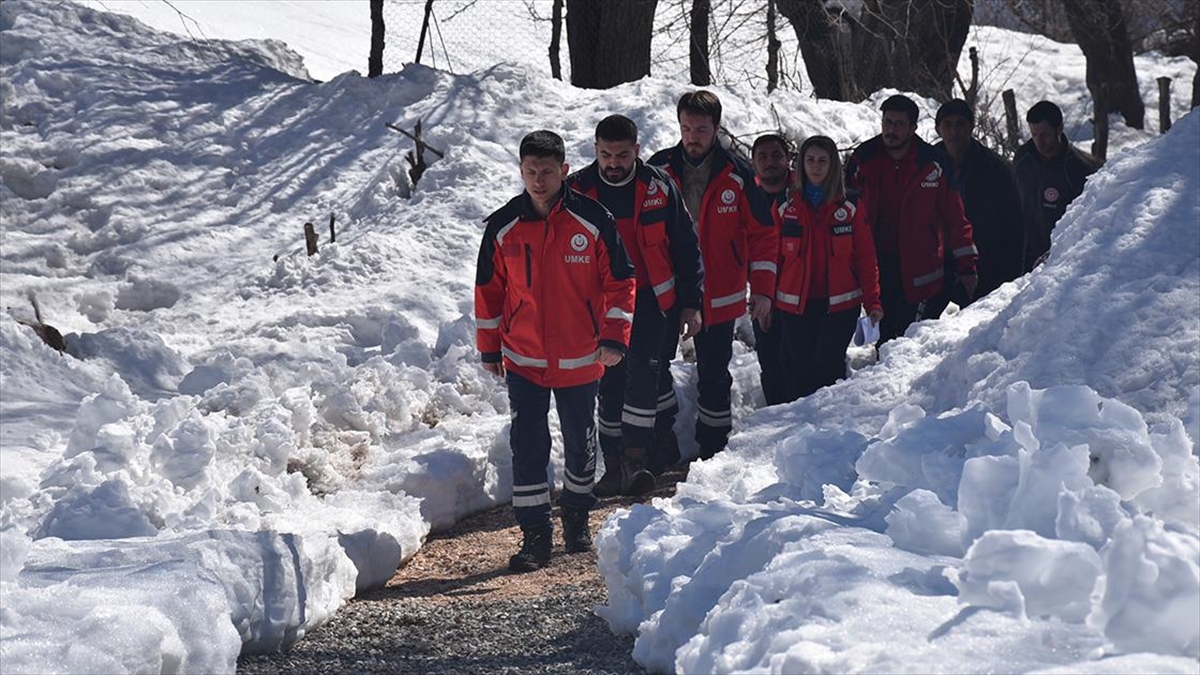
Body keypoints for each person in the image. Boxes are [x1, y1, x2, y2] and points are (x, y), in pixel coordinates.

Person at [475, 130, 636, 572]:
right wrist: (490, 347)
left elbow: (621, 282)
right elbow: (488, 291)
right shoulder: (504, 226)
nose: (538, 180)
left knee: (581, 441)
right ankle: (535, 536)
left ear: (564, 171)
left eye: (547, 171)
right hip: (524, 357)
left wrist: (613, 337)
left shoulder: (593, 220)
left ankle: (577, 517)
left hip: (582, 356)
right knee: (527, 443)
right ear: (521, 171)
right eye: (530, 172)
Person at [566, 114, 704, 495]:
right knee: (608, 380)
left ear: (637, 152)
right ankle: (614, 464)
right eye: (606, 154)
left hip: (652, 300)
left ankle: (636, 459)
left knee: (643, 373)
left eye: (622, 155)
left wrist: (692, 302)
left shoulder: (659, 186)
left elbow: (685, 245)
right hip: (601, 303)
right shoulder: (576, 190)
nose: (613, 163)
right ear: (595, 150)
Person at [648, 91, 778, 460]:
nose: (692, 136)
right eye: (686, 128)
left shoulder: (738, 173)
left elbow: (764, 235)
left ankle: (714, 450)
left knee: (714, 373)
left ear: (716, 128)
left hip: (718, 293)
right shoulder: (659, 170)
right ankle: (662, 444)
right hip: (667, 290)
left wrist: (763, 290)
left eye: (701, 129)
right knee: (655, 370)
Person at [845, 94, 978, 346]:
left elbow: (955, 217)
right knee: (884, 339)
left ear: (913, 128)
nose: (891, 130)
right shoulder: (863, 159)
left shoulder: (933, 163)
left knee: (907, 340)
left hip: (921, 269)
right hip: (876, 265)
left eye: (898, 124)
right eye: (887, 122)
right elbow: (845, 215)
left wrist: (967, 265)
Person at [776, 135, 883, 400]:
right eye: (810, 160)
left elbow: (866, 258)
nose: (815, 166)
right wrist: (764, 298)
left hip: (839, 305)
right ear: (800, 164)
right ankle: (797, 432)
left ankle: (829, 432)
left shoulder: (850, 207)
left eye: (823, 161)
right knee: (799, 370)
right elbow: (770, 259)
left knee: (829, 368)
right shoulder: (784, 206)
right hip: (794, 305)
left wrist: (873, 302)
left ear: (833, 165)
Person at [933, 98, 1025, 304]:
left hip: (985, 264)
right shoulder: (927, 165)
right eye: (947, 124)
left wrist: (1011, 277)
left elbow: (1013, 224)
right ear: (938, 129)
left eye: (960, 124)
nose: (954, 131)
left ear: (971, 127)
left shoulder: (995, 168)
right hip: (937, 265)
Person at [1015, 100, 1102, 271]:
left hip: (1058, 262)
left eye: (1045, 135)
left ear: (1059, 129)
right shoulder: (1023, 158)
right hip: (1023, 256)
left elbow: (1085, 222)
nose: (1039, 142)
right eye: (1034, 135)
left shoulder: (1079, 168)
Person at [749, 133, 794, 406]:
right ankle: (774, 419)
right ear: (753, 162)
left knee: (799, 362)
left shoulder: (803, 192)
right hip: (762, 292)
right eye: (762, 157)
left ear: (788, 159)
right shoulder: (748, 197)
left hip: (801, 296)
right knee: (770, 360)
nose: (770, 162)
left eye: (776, 155)